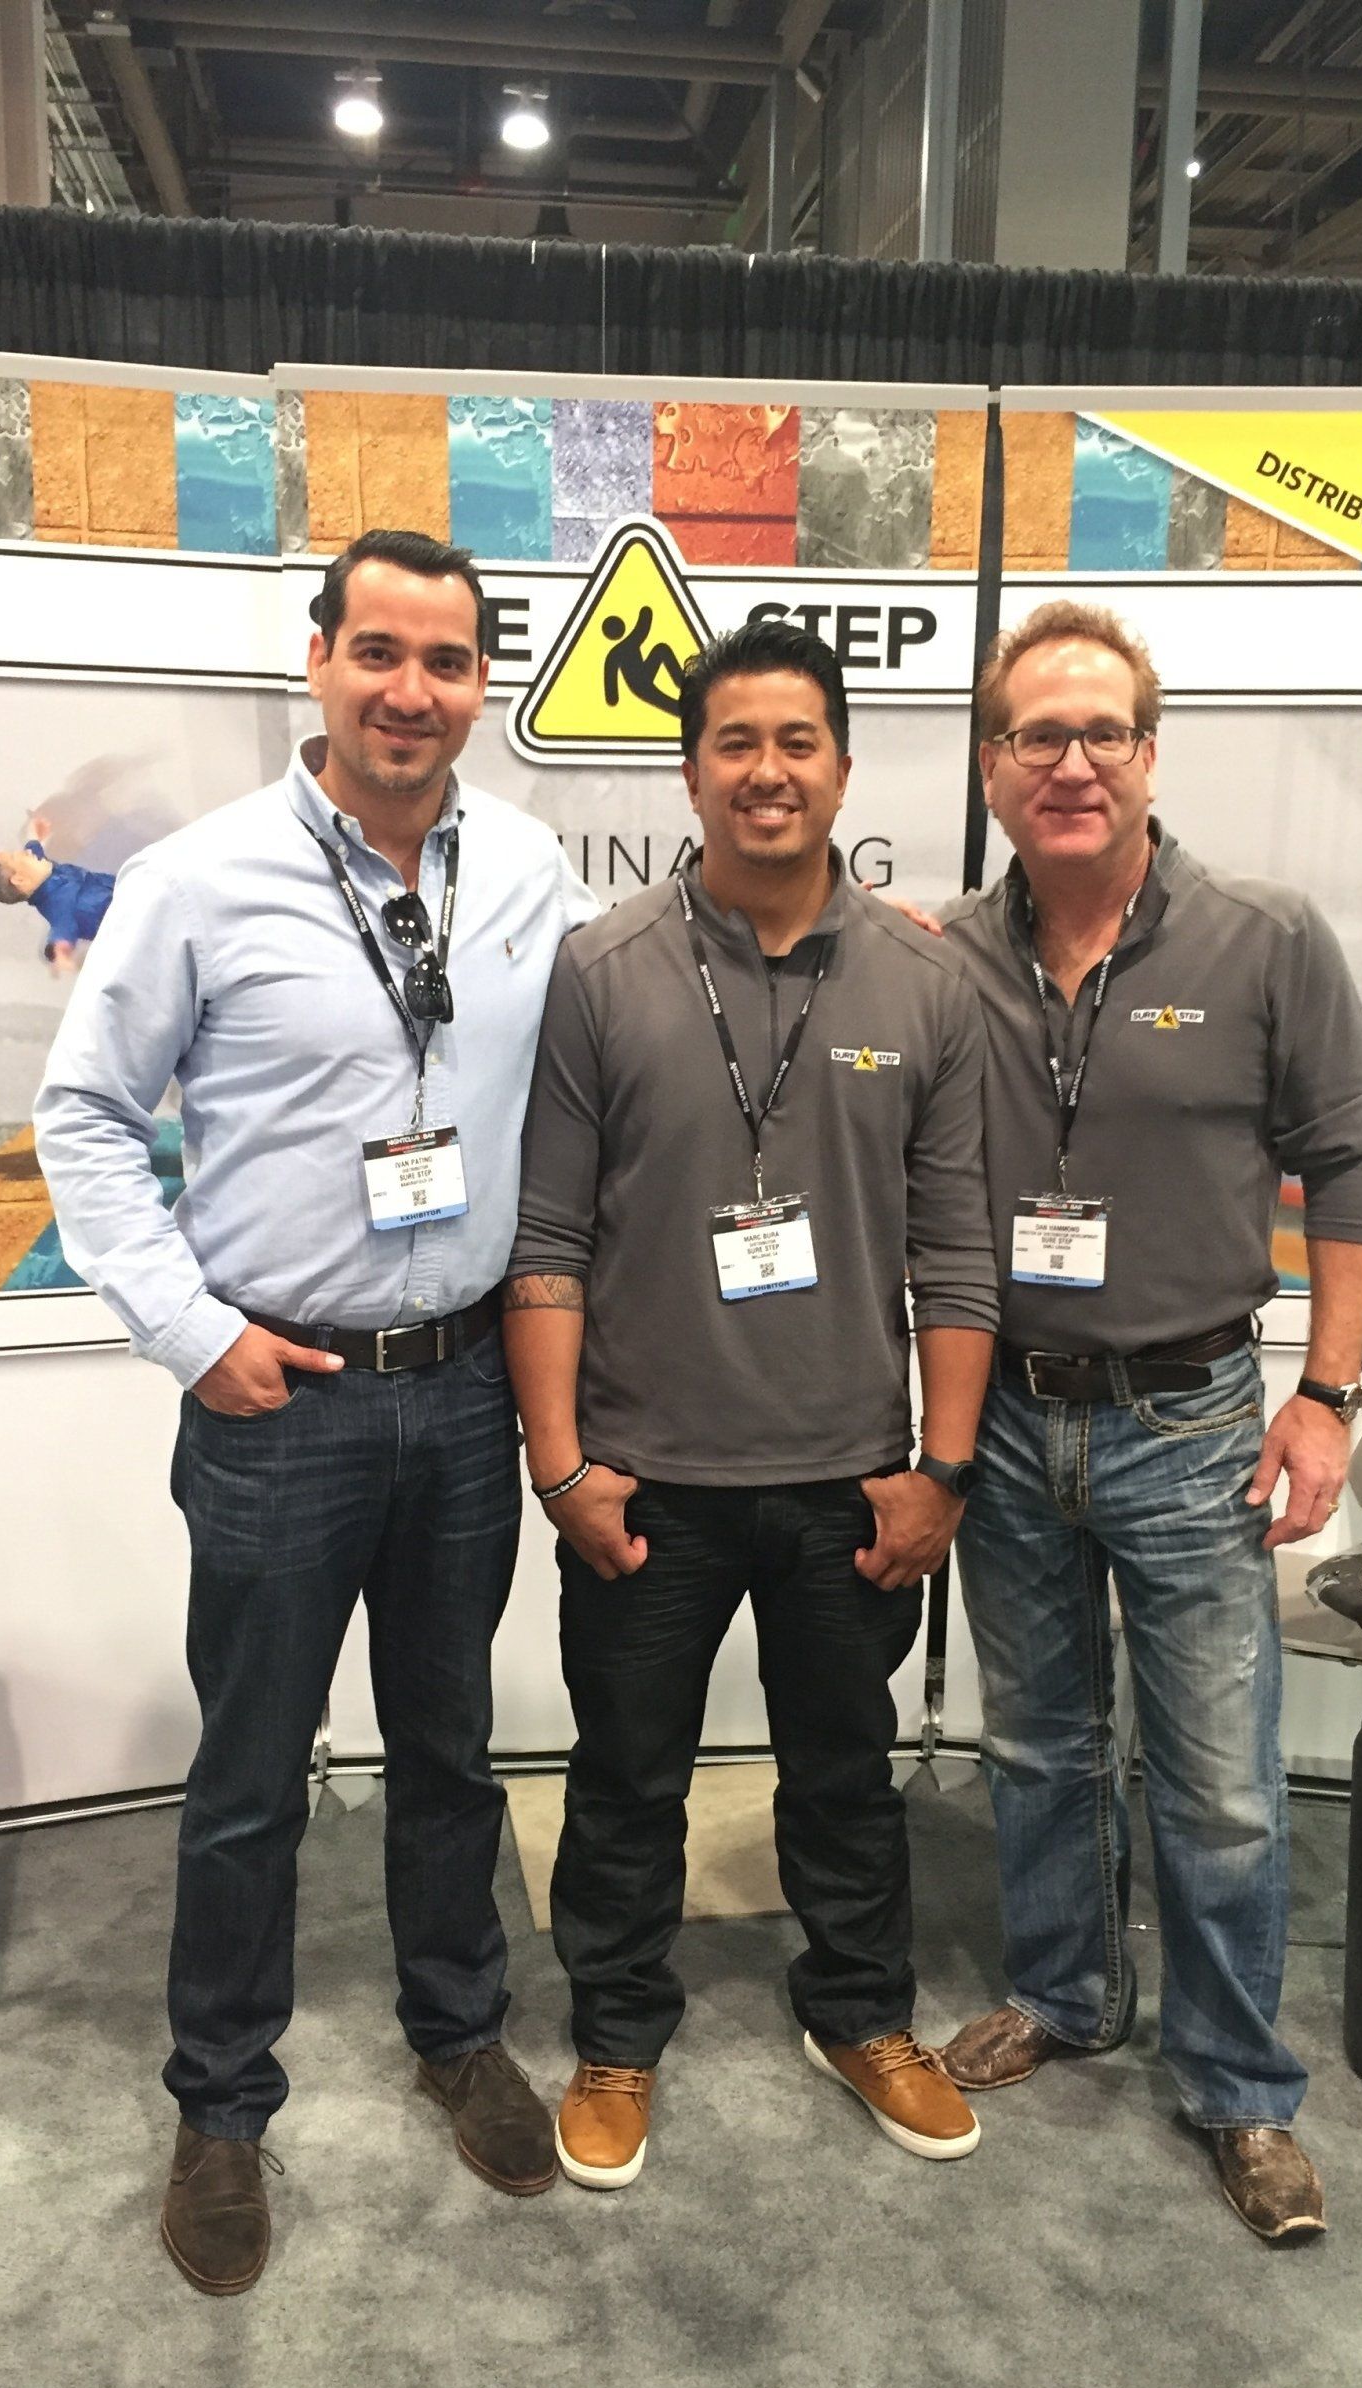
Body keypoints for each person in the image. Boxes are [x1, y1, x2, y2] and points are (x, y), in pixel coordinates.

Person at [33, 528, 598, 2296]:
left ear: (481, 684)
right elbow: (85, 1116)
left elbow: (645, 1016)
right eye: (380, 653)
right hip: (280, 1396)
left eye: (446, 660)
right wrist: (190, 1330)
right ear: (320, 662)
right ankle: (220, 2104)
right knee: (249, 1773)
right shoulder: (199, 880)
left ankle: (458, 2034)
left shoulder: (529, 868)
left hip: (466, 1393)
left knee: (449, 1748)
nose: (410, 691)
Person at [502, 619, 999, 2190]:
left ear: (843, 769)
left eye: (798, 742)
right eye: (737, 743)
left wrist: (943, 1471)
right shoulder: (602, 971)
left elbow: (959, 1251)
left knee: (846, 1773)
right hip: (644, 1479)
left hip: (851, 1480)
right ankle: (617, 2033)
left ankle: (860, 2013)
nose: (767, 772)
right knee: (625, 1779)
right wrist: (560, 1467)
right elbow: (547, 1239)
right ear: (691, 770)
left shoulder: (926, 980)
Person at [925, 599, 1362, 2243]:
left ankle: (1241, 2087)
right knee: (1037, 1742)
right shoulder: (944, 955)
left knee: (1220, 1780)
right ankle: (1064, 1993)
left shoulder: (1266, 938)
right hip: (1006, 1416)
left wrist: (1326, 1397)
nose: (1071, 764)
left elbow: (1348, 1168)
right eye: (1035, 737)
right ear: (992, 768)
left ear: (1147, 755)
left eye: (1100, 734)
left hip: (1191, 1416)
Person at [0, 815, 116, 971]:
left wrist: (35, 836)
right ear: (20, 879)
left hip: (122, 886)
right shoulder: (59, 906)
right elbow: (61, 931)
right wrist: (60, 952)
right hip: (126, 917)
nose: (26, 852)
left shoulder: (40, 869)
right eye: (16, 856)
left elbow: (34, 849)